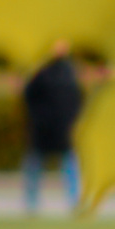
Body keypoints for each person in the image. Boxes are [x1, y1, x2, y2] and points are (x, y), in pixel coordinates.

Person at [21, 43, 83, 213]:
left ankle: (73, 202)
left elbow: (75, 100)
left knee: (67, 166)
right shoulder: (50, 73)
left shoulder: (63, 73)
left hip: (57, 128)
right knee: (39, 165)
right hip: (50, 128)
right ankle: (32, 203)